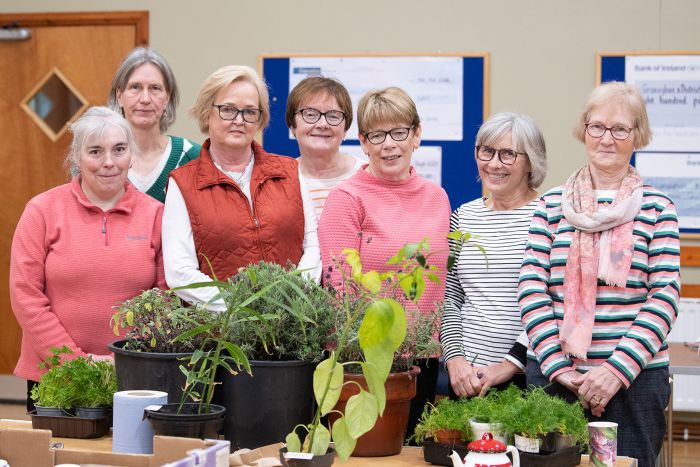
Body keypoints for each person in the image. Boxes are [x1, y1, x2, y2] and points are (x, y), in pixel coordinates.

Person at [519, 82, 680, 466]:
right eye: (597, 127)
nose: (606, 138)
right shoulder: (551, 205)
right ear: (583, 130)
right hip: (556, 378)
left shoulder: (658, 207)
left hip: (634, 381)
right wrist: (560, 368)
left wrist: (613, 371)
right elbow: (531, 289)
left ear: (637, 135)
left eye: (620, 129)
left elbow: (665, 296)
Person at [9, 107, 165, 411]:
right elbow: (25, 296)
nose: (109, 162)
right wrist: (74, 362)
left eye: (119, 149)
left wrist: (121, 358)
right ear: (77, 158)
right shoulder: (41, 210)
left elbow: (165, 300)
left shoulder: (156, 215)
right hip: (53, 376)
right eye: (95, 151)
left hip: (131, 376)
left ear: (131, 155)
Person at [318, 86, 451, 441]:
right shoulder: (346, 199)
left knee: (410, 455)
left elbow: (441, 281)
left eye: (398, 132)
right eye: (377, 135)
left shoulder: (438, 199)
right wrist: (367, 352)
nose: (388, 144)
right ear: (363, 141)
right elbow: (339, 288)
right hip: (364, 358)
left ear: (416, 135)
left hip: (422, 355)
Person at [163, 65, 320, 310]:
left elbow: (312, 248)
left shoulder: (289, 171)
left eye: (249, 112)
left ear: (260, 119)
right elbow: (179, 272)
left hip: (292, 328)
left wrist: (290, 303)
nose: (239, 120)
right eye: (227, 110)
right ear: (207, 113)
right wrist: (241, 310)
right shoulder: (182, 183)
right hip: (222, 335)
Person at [441, 112, 547, 398]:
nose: (494, 163)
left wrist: (510, 363)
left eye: (508, 154)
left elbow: (558, 301)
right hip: (467, 378)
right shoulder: (463, 216)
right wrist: (455, 359)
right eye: (486, 151)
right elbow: (451, 296)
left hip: (527, 377)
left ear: (531, 161)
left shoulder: (550, 216)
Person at [108, 47, 200, 202]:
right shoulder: (101, 159)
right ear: (119, 96)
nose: (145, 99)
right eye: (135, 87)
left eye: (155, 88)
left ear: (167, 98)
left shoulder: (191, 156)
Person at [285, 76, 363, 221]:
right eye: (310, 114)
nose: (322, 124)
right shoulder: (279, 181)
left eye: (333, 116)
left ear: (345, 128)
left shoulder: (368, 175)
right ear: (292, 126)